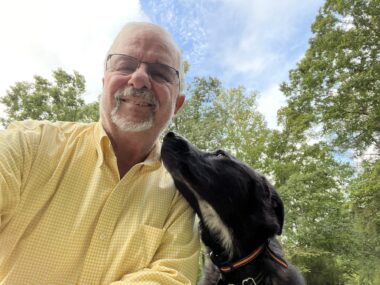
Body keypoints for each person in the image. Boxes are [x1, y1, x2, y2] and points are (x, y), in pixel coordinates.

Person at [0, 22, 200, 284]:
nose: (139, 79)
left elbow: (170, 279)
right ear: (105, 82)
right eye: (125, 65)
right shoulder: (29, 145)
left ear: (177, 105)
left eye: (160, 72)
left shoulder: (180, 192)